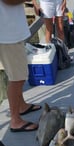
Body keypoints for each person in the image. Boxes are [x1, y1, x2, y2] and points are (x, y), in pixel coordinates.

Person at [0, 0, 40, 132]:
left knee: (16, 74)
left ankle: (21, 106)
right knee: (18, 77)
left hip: (10, 31)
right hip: (7, 34)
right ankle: (15, 120)